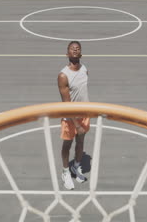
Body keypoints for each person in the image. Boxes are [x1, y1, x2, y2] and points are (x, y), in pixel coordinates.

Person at [57, 41, 90, 190]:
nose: (75, 50)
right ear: (67, 54)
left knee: (81, 142)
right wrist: (76, 124)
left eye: (78, 49)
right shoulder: (63, 75)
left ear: (81, 53)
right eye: (72, 49)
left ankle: (75, 167)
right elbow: (66, 104)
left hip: (84, 114)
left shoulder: (84, 69)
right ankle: (65, 172)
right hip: (70, 117)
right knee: (67, 144)